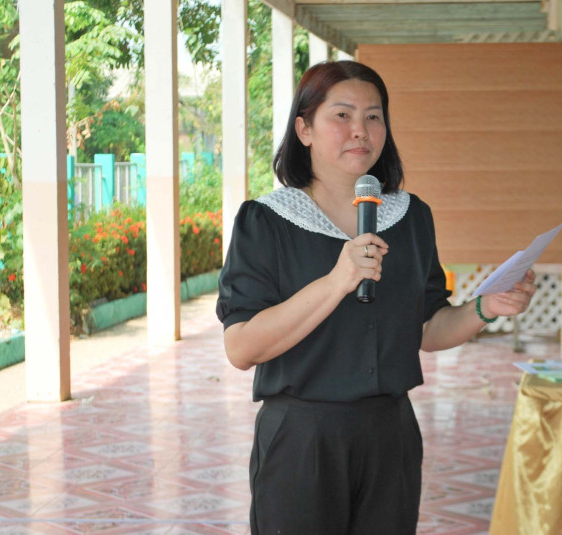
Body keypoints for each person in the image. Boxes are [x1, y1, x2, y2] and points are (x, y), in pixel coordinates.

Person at [216, 60, 536, 535]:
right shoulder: (266, 221)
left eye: (373, 116)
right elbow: (241, 347)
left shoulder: (410, 217)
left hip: (391, 435)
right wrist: (336, 281)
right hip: (301, 440)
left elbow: (428, 329)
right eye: (342, 115)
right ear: (304, 129)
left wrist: (487, 307)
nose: (360, 131)